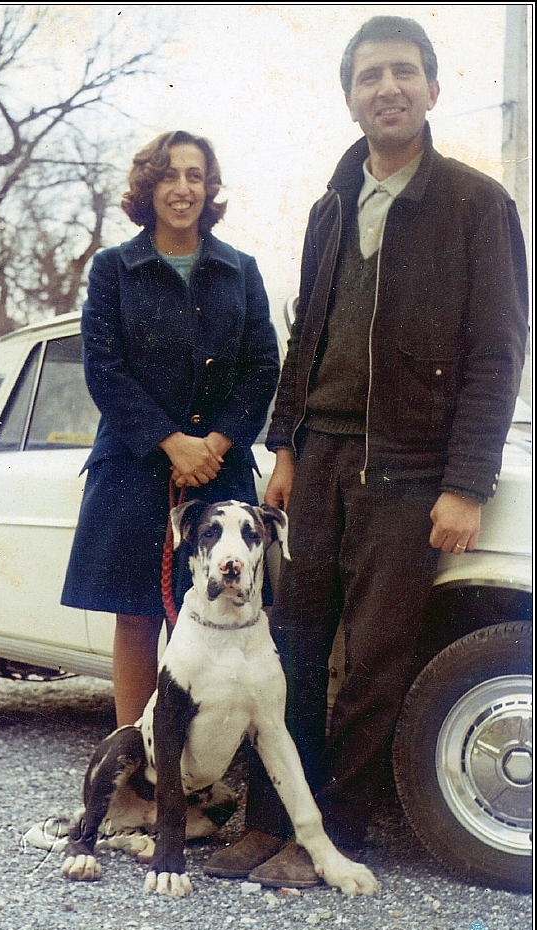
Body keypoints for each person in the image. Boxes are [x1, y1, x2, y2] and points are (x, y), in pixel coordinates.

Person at [204, 16, 528, 886]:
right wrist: (286, 444)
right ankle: (268, 824)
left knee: (376, 661)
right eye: (370, 76)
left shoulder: (476, 202)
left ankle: (333, 838)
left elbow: (498, 352)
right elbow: (306, 333)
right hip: (320, 461)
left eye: (404, 72)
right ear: (349, 96)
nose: (388, 88)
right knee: (295, 653)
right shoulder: (328, 206)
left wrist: (466, 482)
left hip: (412, 471)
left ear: (431, 88)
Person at [62, 131, 280, 727]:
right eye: (168, 176)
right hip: (134, 469)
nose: (182, 189)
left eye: (195, 176)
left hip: (221, 468)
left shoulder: (241, 271)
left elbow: (264, 367)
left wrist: (216, 443)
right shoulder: (112, 269)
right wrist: (170, 442)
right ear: (148, 187)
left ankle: (201, 776)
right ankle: (132, 774)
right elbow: (103, 369)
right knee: (136, 618)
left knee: (225, 616)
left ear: (210, 188)